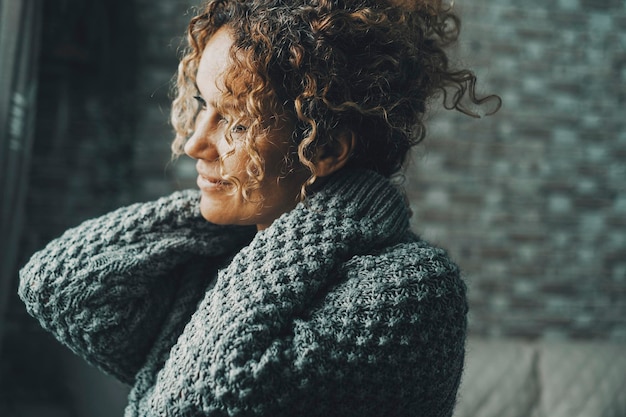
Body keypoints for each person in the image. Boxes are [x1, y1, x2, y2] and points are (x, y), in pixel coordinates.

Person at [18, 0, 500, 416]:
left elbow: (195, 398)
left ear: (327, 147)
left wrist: (341, 212)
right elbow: (63, 284)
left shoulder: (413, 288)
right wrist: (242, 220)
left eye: (236, 122)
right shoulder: (228, 256)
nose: (194, 143)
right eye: (202, 104)